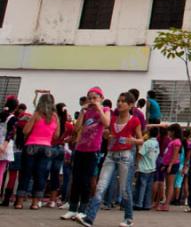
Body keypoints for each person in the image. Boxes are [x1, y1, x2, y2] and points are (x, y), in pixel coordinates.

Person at [77, 91, 143, 227]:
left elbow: (141, 139)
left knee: (125, 189)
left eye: (123, 101)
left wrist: (133, 140)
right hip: (110, 155)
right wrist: (107, 135)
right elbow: (108, 134)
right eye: (118, 100)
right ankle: (89, 218)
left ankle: (128, 218)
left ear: (131, 105)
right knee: (101, 186)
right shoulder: (113, 119)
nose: (119, 103)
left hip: (126, 156)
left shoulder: (135, 120)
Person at [16, 91, 59, 209]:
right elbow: (56, 135)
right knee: (40, 175)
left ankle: (19, 202)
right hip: (46, 148)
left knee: (26, 174)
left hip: (31, 146)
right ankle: (35, 203)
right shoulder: (55, 117)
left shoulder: (37, 114)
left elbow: (25, 130)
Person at [47, 103, 73, 208]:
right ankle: (53, 200)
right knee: (55, 174)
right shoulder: (69, 125)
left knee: (44, 172)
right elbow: (72, 136)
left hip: (50, 147)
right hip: (61, 149)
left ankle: (38, 199)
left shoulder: (53, 122)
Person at [156, 123, 183, 211]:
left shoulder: (177, 142)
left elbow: (175, 155)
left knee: (170, 185)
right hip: (168, 164)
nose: (169, 133)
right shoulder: (173, 141)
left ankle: (167, 204)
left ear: (174, 132)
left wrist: (170, 165)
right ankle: (166, 203)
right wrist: (165, 165)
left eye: (170, 131)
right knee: (167, 185)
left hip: (173, 164)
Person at [133, 128, 159, 210]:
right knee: (148, 187)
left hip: (143, 168)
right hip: (152, 167)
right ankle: (147, 204)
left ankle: (138, 203)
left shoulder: (147, 143)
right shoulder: (156, 143)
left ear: (149, 133)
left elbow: (140, 154)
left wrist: (136, 165)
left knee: (141, 187)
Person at [0, 97, 19, 206]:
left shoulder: (1, 114)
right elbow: (11, 133)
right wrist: (4, 145)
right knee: (1, 171)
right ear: (15, 107)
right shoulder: (13, 118)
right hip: (4, 145)